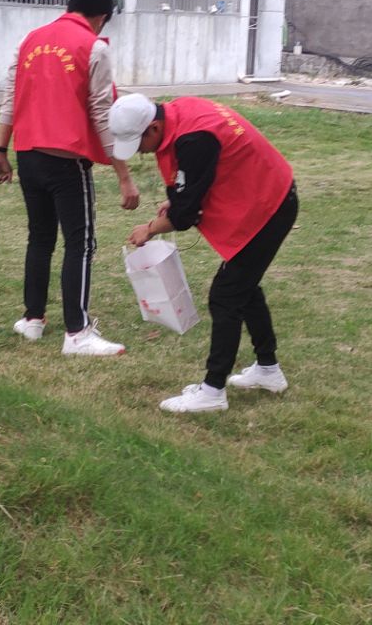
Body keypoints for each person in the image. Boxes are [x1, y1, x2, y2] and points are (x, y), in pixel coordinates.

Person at [109, 93, 298, 412]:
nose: (139, 152)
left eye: (139, 143)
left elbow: (185, 216)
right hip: (268, 194)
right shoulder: (182, 112)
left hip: (270, 205)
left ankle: (212, 392)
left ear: (154, 127)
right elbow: (199, 177)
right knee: (243, 287)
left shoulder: (194, 138)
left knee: (225, 295)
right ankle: (268, 369)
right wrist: (180, 198)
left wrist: (150, 228)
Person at [0, 0, 140, 356]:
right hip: (66, 160)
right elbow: (102, 114)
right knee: (80, 243)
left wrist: (0, 151)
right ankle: (77, 332)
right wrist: (124, 176)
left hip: (28, 154)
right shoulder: (94, 48)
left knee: (40, 238)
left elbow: (10, 99)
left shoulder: (29, 41)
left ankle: (33, 319)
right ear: (101, 17)